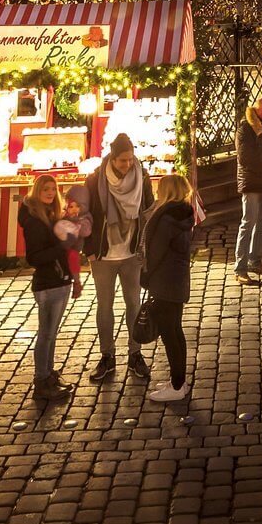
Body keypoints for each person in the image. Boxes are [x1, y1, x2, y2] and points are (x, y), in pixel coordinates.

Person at [82, 131, 154, 383]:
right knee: (105, 306)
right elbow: (85, 215)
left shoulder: (141, 177)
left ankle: (135, 354)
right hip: (104, 253)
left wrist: (147, 247)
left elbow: (148, 211)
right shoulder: (94, 181)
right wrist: (89, 249)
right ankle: (107, 356)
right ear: (112, 159)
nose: (127, 164)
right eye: (122, 160)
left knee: (133, 304)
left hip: (131, 251)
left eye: (130, 159)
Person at [18, 175, 73, 401]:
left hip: (60, 280)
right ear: (36, 192)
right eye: (45, 189)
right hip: (48, 283)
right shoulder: (34, 221)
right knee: (46, 334)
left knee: (51, 333)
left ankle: (49, 374)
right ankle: (41, 380)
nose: (50, 193)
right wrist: (62, 247)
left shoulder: (51, 215)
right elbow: (34, 257)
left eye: (53, 189)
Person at [142, 173, 195, 403]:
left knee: (170, 333)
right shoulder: (183, 213)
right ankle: (179, 380)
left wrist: (146, 276)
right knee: (175, 330)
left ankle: (176, 385)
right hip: (176, 278)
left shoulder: (166, 218)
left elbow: (157, 252)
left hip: (164, 280)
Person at [234, 97, 262, 282]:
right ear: (258, 112)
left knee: (260, 223)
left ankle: (255, 260)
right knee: (248, 223)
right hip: (251, 182)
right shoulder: (246, 129)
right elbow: (245, 158)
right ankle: (240, 268)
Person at [53, 185, 93, 299]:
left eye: (78, 206)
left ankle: (76, 282)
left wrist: (75, 222)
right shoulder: (64, 216)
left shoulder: (84, 218)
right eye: (71, 206)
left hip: (74, 247)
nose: (74, 209)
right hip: (62, 246)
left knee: (73, 257)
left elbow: (86, 231)